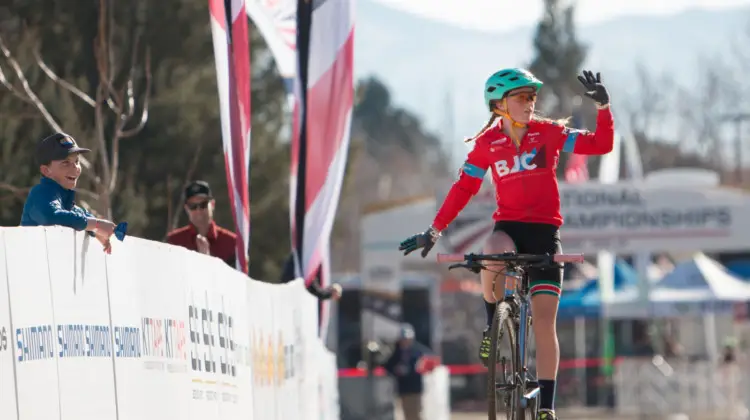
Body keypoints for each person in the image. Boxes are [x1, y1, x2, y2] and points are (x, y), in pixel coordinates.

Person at [398, 69, 614, 420]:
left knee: (545, 323)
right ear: (499, 105)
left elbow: (601, 145)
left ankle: (546, 406)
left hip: (545, 233)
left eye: (532, 98)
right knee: (492, 248)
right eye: (522, 98)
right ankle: (493, 324)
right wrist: (434, 231)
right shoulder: (487, 145)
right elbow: (464, 189)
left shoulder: (549, 133)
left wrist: (603, 107)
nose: (530, 104)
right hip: (509, 227)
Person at [20, 132, 117, 253]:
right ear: (46, 170)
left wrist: (95, 231)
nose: (75, 167)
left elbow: (77, 213)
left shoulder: (64, 200)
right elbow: (51, 216)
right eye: (65, 163)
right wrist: (96, 225)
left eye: (77, 161)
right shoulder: (41, 193)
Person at [166, 180, 237, 267]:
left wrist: (208, 259)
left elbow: (236, 278)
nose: (198, 210)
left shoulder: (231, 243)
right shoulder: (174, 241)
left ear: (213, 204)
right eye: (193, 206)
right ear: (186, 209)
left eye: (203, 205)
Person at [381, 324, 436, 420]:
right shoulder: (397, 352)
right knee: (406, 413)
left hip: (415, 388)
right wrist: (396, 370)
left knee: (415, 413)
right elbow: (387, 366)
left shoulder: (418, 351)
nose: (406, 341)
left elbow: (428, 361)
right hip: (403, 388)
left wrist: (414, 369)